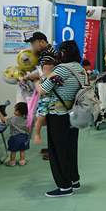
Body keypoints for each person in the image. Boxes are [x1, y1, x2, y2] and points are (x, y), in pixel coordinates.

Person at [37, 40, 86, 198]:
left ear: (63, 53)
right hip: (74, 114)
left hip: (58, 115)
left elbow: (43, 91)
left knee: (58, 151)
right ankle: (74, 180)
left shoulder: (62, 69)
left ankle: (64, 186)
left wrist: (38, 80)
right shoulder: (80, 69)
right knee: (71, 148)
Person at [33, 51, 59, 160]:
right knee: (40, 118)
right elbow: (39, 90)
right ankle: (37, 134)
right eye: (45, 69)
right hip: (44, 102)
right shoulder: (42, 78)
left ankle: (51, 149)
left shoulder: (55, 77)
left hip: (53, 102)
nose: (47, 71)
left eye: (50, 69)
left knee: (52, 124)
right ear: (42, 69)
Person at [0, 102, 30, 167]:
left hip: (15, 138)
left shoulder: (13, 119)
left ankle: (12, 162)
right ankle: (22, 161)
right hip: (25, 137)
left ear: (19, 112)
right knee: (22, 150)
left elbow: (4, 121)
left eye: (15, 110)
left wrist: (0, 114)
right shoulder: (27, 119)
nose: (14, 111)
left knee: (13, 151)